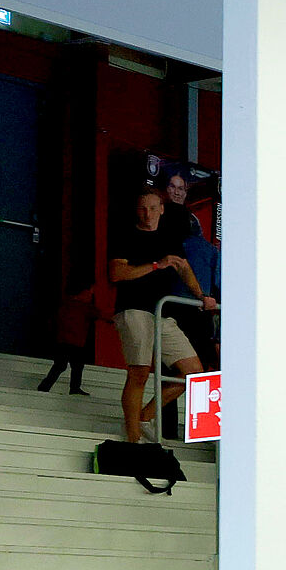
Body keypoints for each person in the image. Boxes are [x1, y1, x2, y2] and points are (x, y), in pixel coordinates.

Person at [110, 189, 208, 443]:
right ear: (136, 210)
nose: (148, 214)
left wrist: (202, 296)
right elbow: (117, 274)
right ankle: (132, 438)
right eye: (143, 208)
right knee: (139, 372)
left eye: (153, 208)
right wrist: (156, 265)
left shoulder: (169, 238)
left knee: (193, 373)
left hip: (162, 313)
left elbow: (184, 268)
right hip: (134, 309)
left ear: (162, 209)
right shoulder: (126, 234)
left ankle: (143, 417)